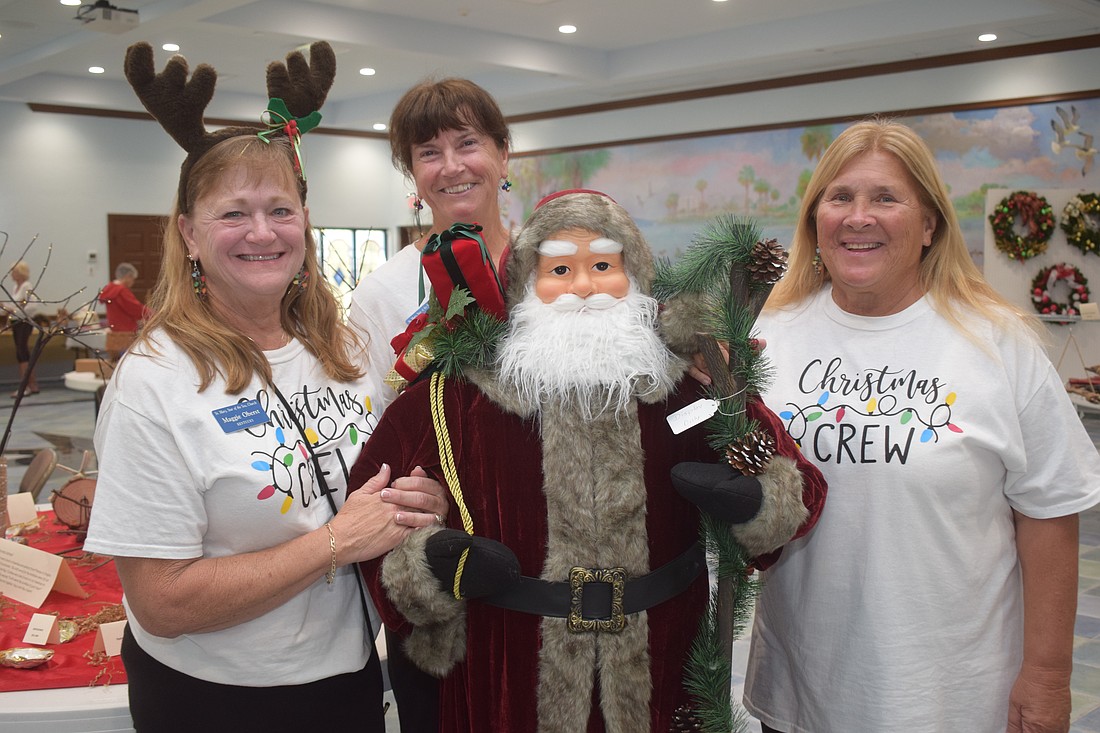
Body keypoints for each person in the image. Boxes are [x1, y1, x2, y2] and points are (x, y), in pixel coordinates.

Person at [349, 190, 827, 732]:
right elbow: (371, 503)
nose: (582, 287)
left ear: (636, 277)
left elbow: (799, 488)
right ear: (526, 283)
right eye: (559, 268)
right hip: (510, 672)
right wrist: (431, 561)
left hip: (664, 668)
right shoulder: (455, 397)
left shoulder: (687, 384)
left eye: (603, 265)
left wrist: (758, 498)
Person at [82, 41, 448, 732]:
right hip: (216, 697)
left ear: (305, 222)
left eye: (280, 209)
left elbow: (368, 484)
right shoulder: (154, 381)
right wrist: (337, 542)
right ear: (189, 234)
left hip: (347, 677)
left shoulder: (342, 347)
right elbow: (161, 601)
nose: (262, 231)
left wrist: (409, 501)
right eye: (233, 213)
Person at [742, 118, 1100, 733]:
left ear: (930, 224)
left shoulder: (997, 342)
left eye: (886, 198)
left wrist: (1046, 679)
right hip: (800, 690)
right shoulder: (765, 334)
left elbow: (1050, 512)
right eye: (840, 197)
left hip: (954, 697)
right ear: (814, 219)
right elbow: (697, 435)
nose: (860, 217)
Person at [347, 75, 513, 730]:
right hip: (443, 576)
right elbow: (374, 448)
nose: (451, 166)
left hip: (557, 573)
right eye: (427, 152)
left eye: (467, 143)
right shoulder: (384, 293)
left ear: (504, 152)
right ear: (411, 174)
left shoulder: (562, 266)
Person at [4, 260, 42, 396]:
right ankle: (32, 384)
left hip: (24, 322)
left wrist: (12, 310)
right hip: (16, 322)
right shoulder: (15, 287)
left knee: (22, 352)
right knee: (22, 353)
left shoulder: (27, 286)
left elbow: (31, 307)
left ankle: (26, 386)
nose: (11, 275)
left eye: (14, 272)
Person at [99, 262, 149, 358]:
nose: (132, 282)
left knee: (115, 361)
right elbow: (135, 309)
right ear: (128, 276)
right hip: (126, 333)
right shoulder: (121, 291)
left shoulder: (109, 288)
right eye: (132, 279)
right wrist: (154, 313)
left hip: (114, 331)